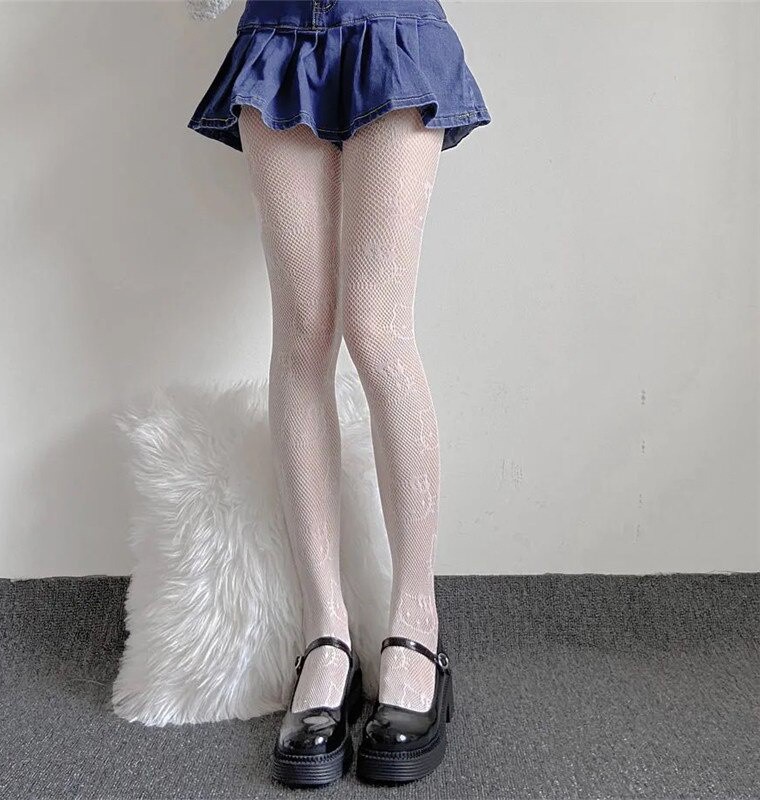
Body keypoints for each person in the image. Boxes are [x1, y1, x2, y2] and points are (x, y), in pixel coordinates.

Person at [187, 0, 489, 786]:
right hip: (279, 33)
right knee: (302, 337)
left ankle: (415, 626)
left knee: (378, 333)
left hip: (393, 29)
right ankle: (327, 636)